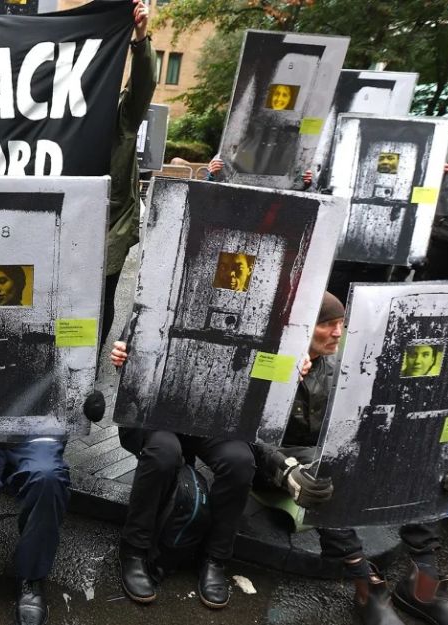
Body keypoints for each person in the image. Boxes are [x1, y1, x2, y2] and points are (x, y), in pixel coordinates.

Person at [252, 292, 448, 625]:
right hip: (276, 467)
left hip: (327, 455)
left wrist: (440, 457)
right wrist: (286, 468)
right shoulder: (268, 359)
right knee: (327, 464)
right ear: (299, 326)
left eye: (341, 324)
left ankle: (424, 582)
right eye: (327, 324)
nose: (338, 332)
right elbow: (247, 433)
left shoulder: (344, 361)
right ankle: (366, 585)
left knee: (424, 457)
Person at [109, 340, 256, 609]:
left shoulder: (247, 306)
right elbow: (134, 346)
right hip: (155, 410)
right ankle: (134, 549)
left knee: (240, 461)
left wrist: (300, 364)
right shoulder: (161, 297)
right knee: (163, 451)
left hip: (212, 415)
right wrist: (124, 353)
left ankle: (214, 557)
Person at [100, 0, 155, 342]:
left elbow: (144, 85)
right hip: (68, 221)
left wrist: (141, 38)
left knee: (102, 297)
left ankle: (86, 364)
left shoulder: (122, 116)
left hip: (111, 226)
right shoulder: (58, 115)